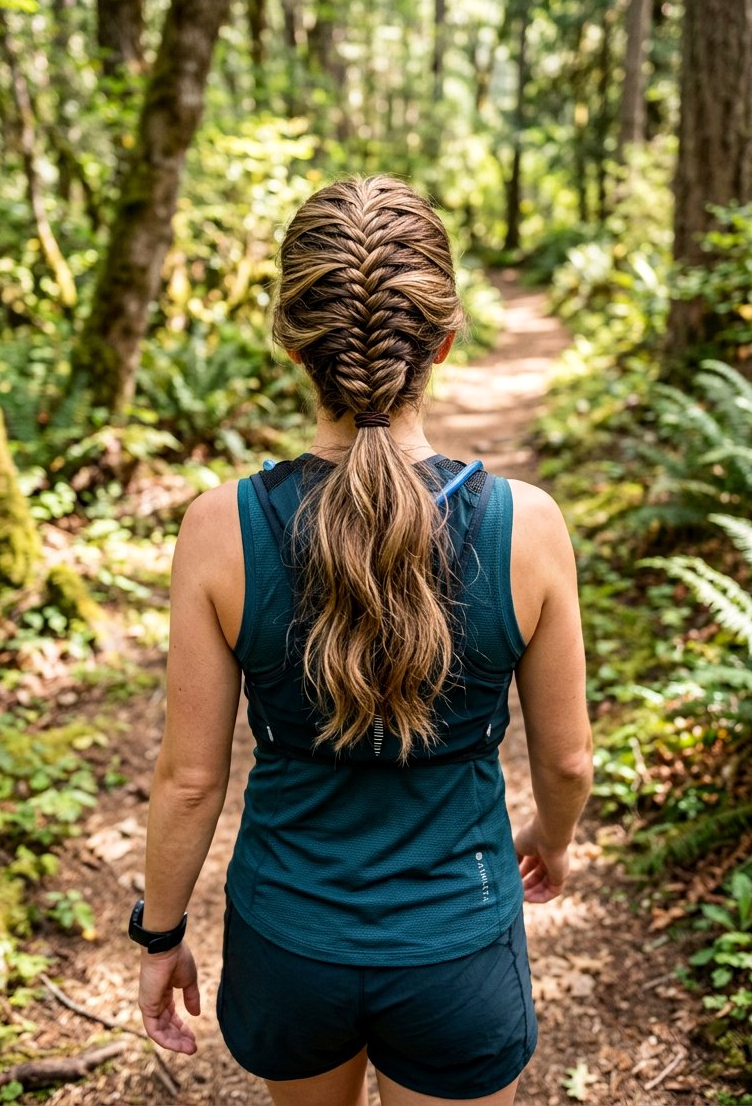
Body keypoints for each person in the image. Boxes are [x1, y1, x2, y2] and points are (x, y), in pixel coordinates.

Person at [132, 174, 593, 1106]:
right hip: (457, 946)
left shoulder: (221, 528)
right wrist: (552, 836)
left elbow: (190, 779)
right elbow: (569, 759)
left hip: (288, 945)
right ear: (445, 341)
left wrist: (161, 935)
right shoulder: (526, 526)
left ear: (293, 343)